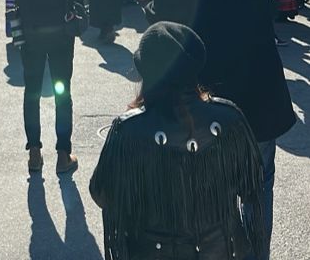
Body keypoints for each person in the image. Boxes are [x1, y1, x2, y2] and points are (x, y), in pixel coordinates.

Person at [146, 0, 296, 256]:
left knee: (207, 193)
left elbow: (152, 32)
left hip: (203, 113)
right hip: (256, 111)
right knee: (256, 189)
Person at [90, 22, 267, 260]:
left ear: (146, 71)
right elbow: (251, 186)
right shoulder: (230, 119)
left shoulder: (129, 130)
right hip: (225, 251)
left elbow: (102, 193)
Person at [9, 0, 86, 174]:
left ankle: (34, 153)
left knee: (31, 92)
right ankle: (63, 154)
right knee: (62, 90)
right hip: (60, 31)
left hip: (30, 30)